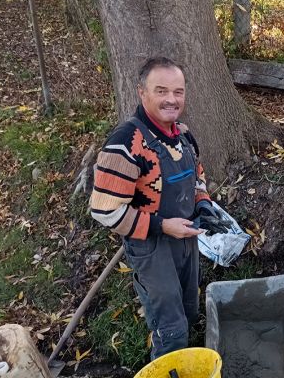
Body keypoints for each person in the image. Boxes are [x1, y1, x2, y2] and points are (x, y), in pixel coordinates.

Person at [89, 57, 229, 359]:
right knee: (170, 327)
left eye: (178, 92)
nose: (171, 99)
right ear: (142, 93)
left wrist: (203, 203)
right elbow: (105, 210)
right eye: (161, 91)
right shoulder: (125, 143)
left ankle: (187, 362)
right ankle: (167, 366)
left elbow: (197, 175)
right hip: (151, 247)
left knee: (189, 309)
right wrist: (163, 226)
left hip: (186, 237)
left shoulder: (183, 134)